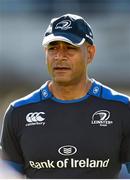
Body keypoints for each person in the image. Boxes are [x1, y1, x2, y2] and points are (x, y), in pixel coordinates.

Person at [0, 13, 130, 179]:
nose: (60, 56)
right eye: (53, 48)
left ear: (90, 53)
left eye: (70, 48)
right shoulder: (18, 112)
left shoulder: (122, 108)